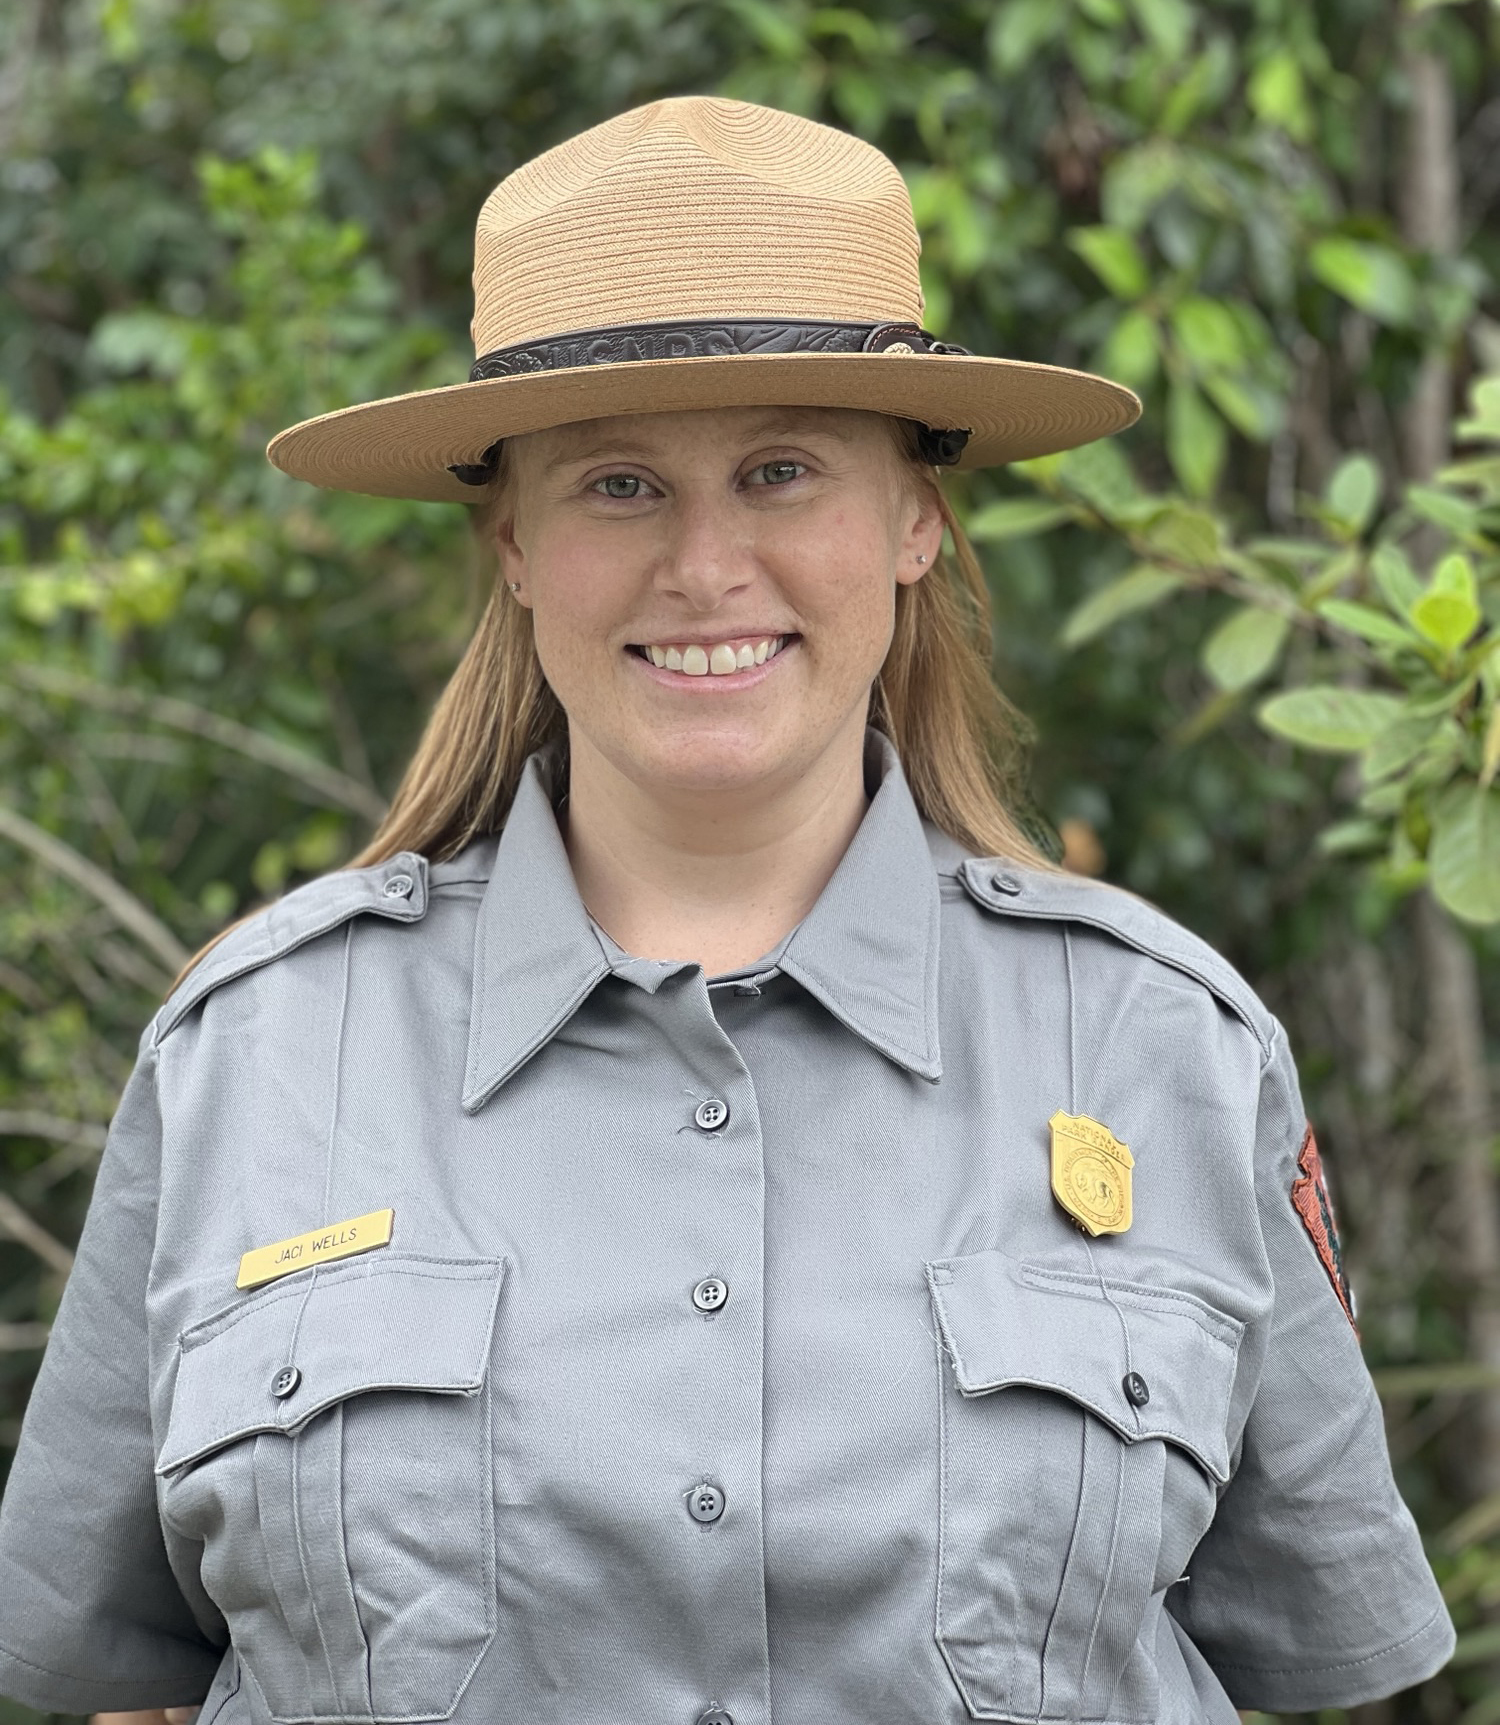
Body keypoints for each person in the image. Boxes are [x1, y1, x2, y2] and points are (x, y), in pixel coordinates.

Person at [0, 94, 1454, 1725]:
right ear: (514, 543)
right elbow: (130, 1684)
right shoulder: (249, 1063)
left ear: (916, 517)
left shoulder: (1163, 1050)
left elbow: (1302, 1670)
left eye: (782, 471)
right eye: (619, 484)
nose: (706, 564)